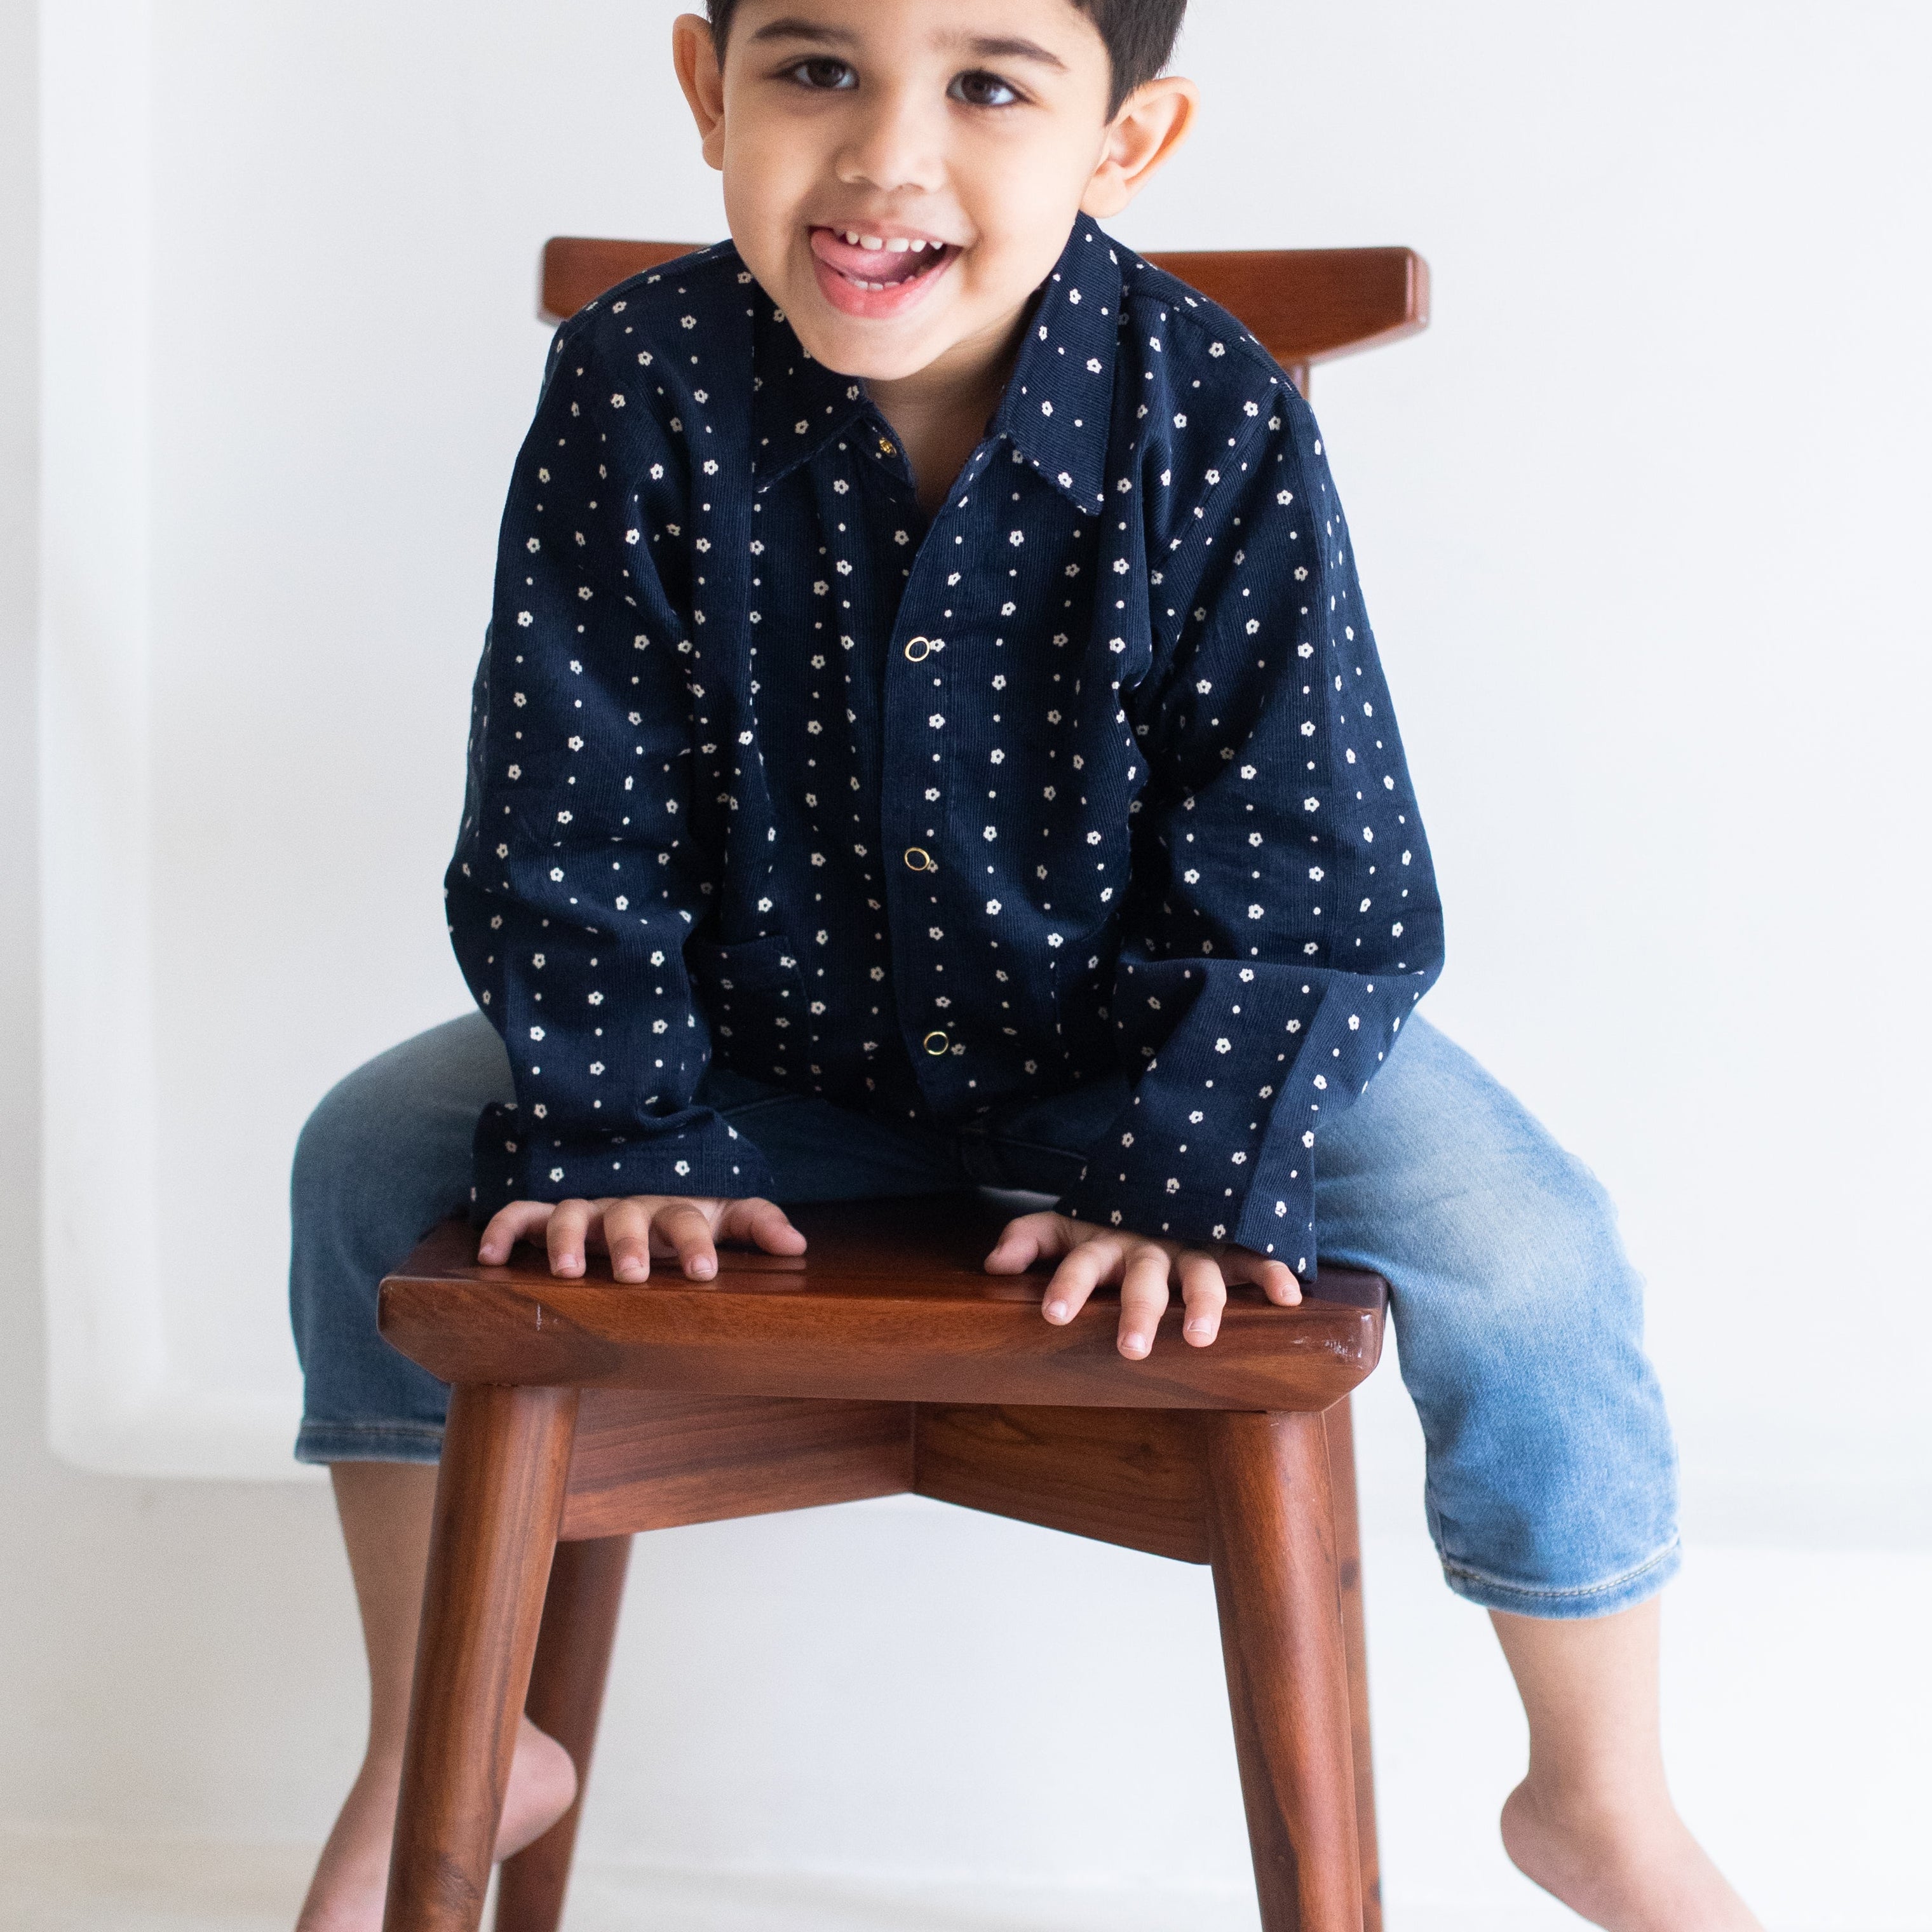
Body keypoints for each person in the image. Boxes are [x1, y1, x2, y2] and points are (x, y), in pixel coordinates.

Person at [289, 3, 1764, 1927]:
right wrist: (615, 1120)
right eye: (815, 69)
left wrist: (1192, 1161)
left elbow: (1317, 866)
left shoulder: (1204, 411)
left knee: (1528, 1234)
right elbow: (572, 804)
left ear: (1125, 143)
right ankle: (444, 1732)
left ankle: (1598, 1792)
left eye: (988, 86)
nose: (888, 155)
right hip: (753, 1056)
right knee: (361, 1152)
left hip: (1142, 1052)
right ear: (701, 89)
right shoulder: (636, 383)